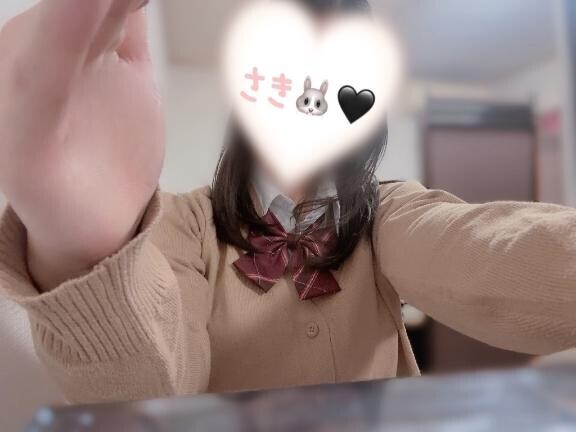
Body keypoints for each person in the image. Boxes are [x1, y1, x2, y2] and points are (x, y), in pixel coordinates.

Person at [0, 0, 574, 404]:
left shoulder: (387, 214)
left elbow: (477, 250)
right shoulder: (187, 225)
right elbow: (151, 384)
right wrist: (87, 255)